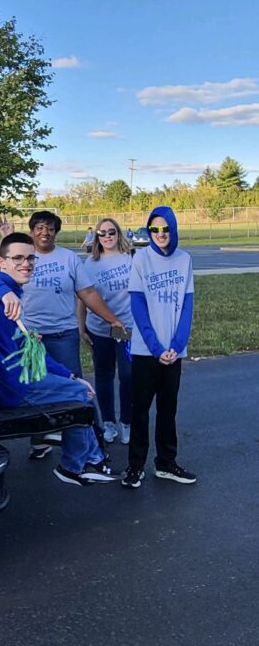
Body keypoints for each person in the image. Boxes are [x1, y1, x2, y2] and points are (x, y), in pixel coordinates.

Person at [0, 233, 118, 485]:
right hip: (12, 388)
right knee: (80, 394)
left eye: (30, 258)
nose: (26, 263)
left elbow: (35, 353)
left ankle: (91, 459)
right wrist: (3, 292)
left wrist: (70, 375)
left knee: (82, 388)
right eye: (17, 258)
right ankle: (75, 465)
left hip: (25, 377)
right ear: (3, 262)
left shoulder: (13, 297)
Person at [0, 211, 126, 459]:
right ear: (31, 231)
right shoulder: (21, 257)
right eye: (39, 227)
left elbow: (88, 293)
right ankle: (39, 442)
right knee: (36, 391)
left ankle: (88, 450)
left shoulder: (68, 258)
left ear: (56, 232)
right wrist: (5, 238)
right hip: (29, 339)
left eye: (50, 228)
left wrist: (111, 318)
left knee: (74, 392)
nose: (45, 232)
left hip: (64, 335)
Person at [122, 206, 196, 489]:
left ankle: (166, 463)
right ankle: (135, 466)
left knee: (168, 409)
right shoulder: (141, 259)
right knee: (140, 410)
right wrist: (155, 347)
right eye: (155, 229)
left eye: (165, 228)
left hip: (173, 352)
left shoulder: (184, 259)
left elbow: (187, 305)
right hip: (146, 351)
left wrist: (176, 346)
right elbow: (138, 306)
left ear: (173, 229)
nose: (161, 234)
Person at [77, 218, 134, 445]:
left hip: (126, 327)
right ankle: (109, 422)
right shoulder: (89, 263)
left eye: (111, 232)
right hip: (99, 328)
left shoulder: (131, 258)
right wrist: (81, 327)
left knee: (128, 375)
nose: (107, 236)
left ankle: (127, 422)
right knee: (104, 375)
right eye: (102, 233)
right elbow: (82, 298)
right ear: (96, 237)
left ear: (118, 233)